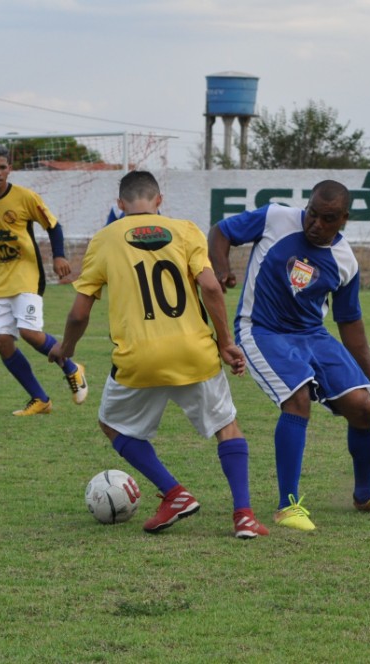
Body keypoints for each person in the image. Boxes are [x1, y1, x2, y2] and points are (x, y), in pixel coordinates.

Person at [48, 170, 269, 539]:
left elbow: (78, 313)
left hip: (139, 358)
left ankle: (174, 493)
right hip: (194, 351)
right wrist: (226, 342)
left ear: (120, 205)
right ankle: (244, 516)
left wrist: (65, 348)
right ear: (159, 201)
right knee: (226, 426)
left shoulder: (104, 239)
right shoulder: (184, 230)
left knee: (112, 424)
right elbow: (212, 287)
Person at [208, 179, 370, 532]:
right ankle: (287, 506)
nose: (315, 224)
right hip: (261, 329)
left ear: (344, 219)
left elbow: (349, 322)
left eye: (327, 219)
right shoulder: (275, 217)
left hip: (312, 335)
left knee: (363, 407)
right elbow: (220, 232)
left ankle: (365, 494)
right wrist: (221, 266)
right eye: (312, 214)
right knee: (297, 399)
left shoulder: (345, 260)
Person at [0, 144, 88, 416]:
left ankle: (71, 368)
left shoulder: (25, 197)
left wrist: (58, 256)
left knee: (29, 332)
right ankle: (40, 399)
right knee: (1, 341)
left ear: (10, 169)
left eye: (2, 167)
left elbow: (53, 226)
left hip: (27, 274)